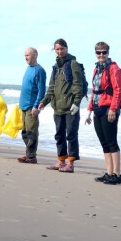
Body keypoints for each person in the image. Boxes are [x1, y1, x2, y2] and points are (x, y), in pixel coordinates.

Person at [38, 38, 84, 173]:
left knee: (71, 135)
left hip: (70, 108)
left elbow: (78, 85)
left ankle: (70, 164)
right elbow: (51, 87)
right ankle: (61, 161)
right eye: (57, 49)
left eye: (62, 48)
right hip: (57, 107)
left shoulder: (73, 64)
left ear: (67, 48)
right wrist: (44, 101)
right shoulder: (56, 66)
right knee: (59, 135)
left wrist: (76, 103)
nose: (59, 51)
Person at [86, 41, 121, 185]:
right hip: (98, 108)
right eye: (98, 52)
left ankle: (117, 174)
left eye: (104, 52)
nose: (101, 55)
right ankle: (109, 173)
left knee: (111, 142)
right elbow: (95, 91)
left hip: (109, 109)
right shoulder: (97, 69)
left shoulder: (114, 68)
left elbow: (118, 90)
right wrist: (89, 111)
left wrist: (113, 109)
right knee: (104, 143)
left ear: (108, 53)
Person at [17, 48, 47, 164]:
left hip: (32, 106)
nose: (26, 58)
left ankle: (31, 156)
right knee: (24, 132)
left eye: (28, 55)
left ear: (35, 55)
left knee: (32, 132)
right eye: (25, 55)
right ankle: (28, 153)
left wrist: (36, 106)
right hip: (23, 106)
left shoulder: (39, 70)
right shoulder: (28, 69)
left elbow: (41, 90)